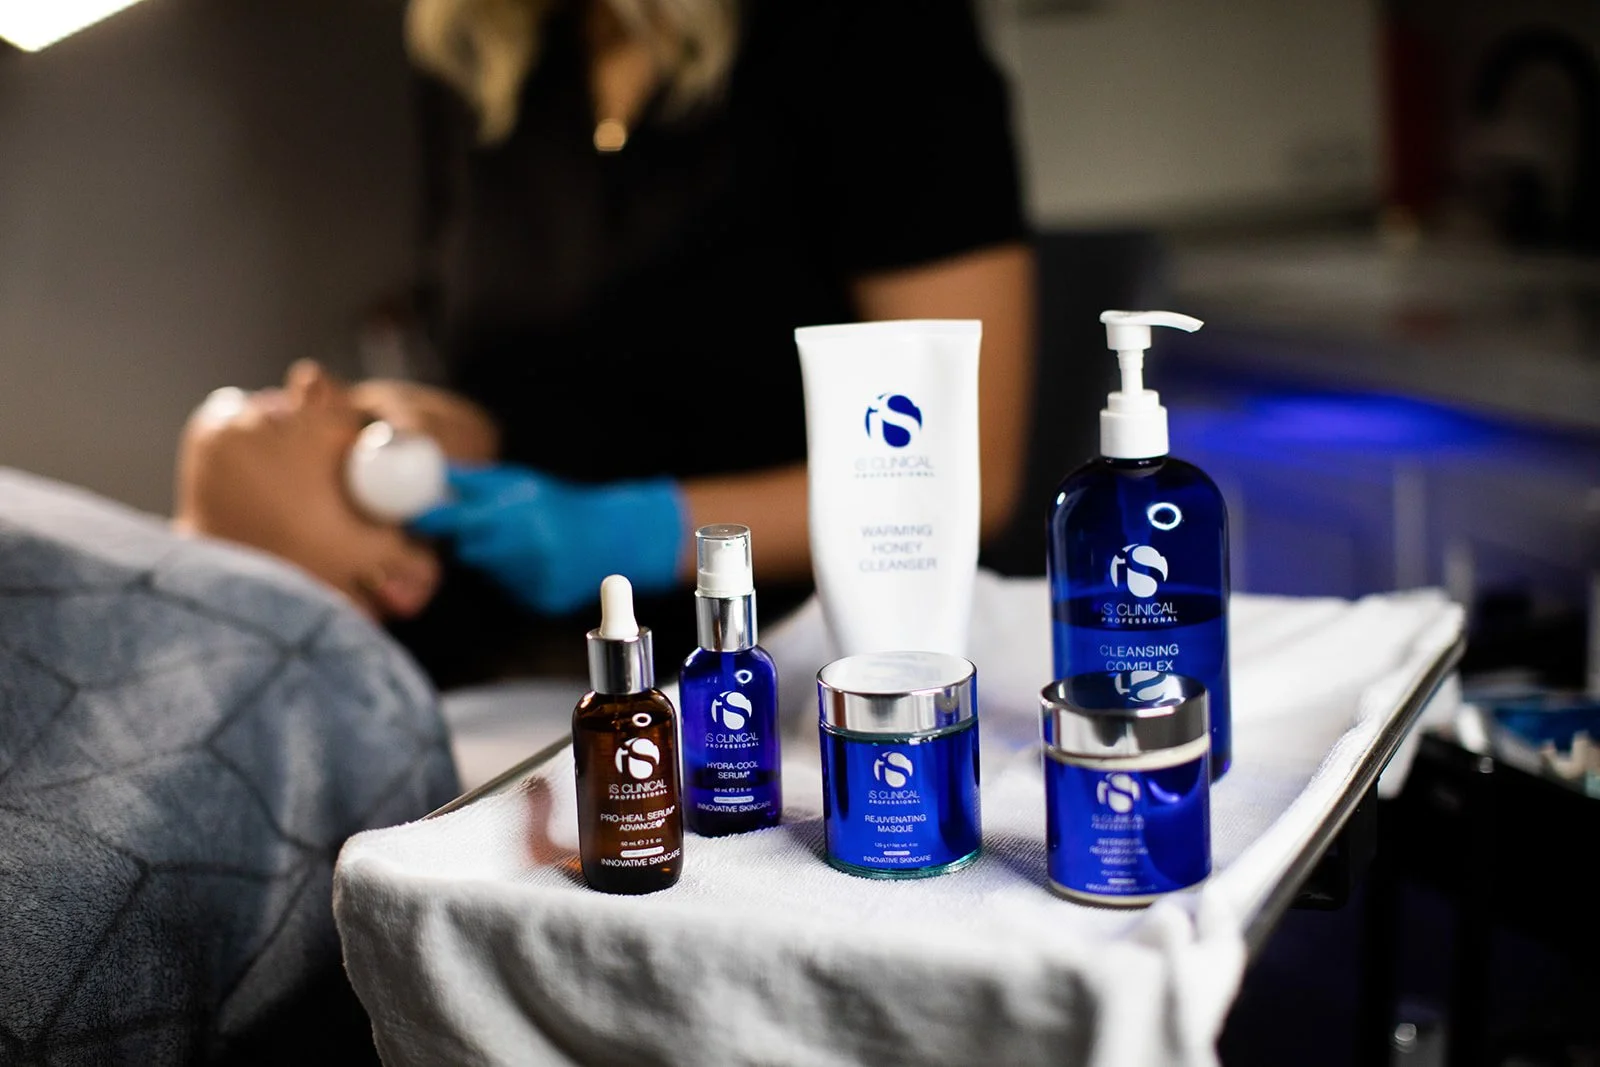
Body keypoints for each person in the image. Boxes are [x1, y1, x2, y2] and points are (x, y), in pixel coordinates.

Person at [192, 0, 1037, 686]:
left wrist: (644, 533)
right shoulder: (483, 55)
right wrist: (437, 433)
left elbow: (968, 469)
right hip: (543, 661)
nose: (306, 380)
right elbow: (523, 387)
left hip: (808, 657)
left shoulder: (874, 34)